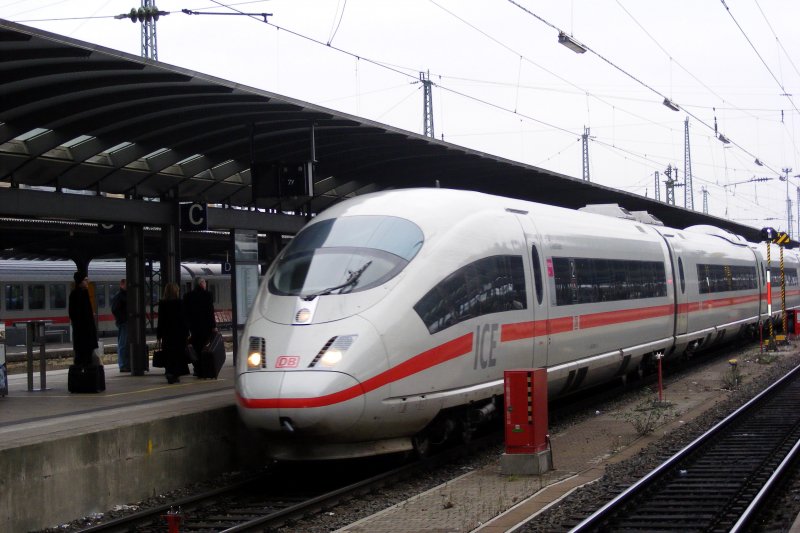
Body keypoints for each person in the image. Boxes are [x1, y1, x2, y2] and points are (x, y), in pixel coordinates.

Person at [156, 282, 190, 384]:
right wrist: (187, 333)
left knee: (168, 354)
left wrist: (159, 335)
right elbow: (184, 319)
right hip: (179, 334)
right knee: (178, 354)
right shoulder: (180, 303)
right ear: (176, 291)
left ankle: (169, 372)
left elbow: (160, 321)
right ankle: (175, 374)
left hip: (167, 334)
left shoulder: (162, 304)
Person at [183, 277, 216, 375]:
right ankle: (204, 368)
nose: (205, 285)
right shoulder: (208, 295)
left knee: (196, 348)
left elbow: (185, 313)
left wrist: (187, 326)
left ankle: (197, 368)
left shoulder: (188, 296)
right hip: (206, 327)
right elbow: (210, 312)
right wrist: (213, 326)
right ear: (201, 283)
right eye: (205, 283)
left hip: (194, 327)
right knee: (204, 347)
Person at [68, 271, 98, 367]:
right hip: (83, 332)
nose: (87, 281)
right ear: (80, 281)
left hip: (85, 332)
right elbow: (75, 314)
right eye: (85, 280)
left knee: (86, 356)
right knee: (83, 357)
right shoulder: (76, 295)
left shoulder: (83, 293)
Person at [111, 278, 129, 372]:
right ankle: (122, 365)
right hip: (124, 323)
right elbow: (115, 309)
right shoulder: (120, 296)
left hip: (125, 322)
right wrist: (122, 319)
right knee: (123, 344)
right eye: (127, 284)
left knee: (125, 344)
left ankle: (126, 364)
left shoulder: (125, 295)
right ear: (122, 284)